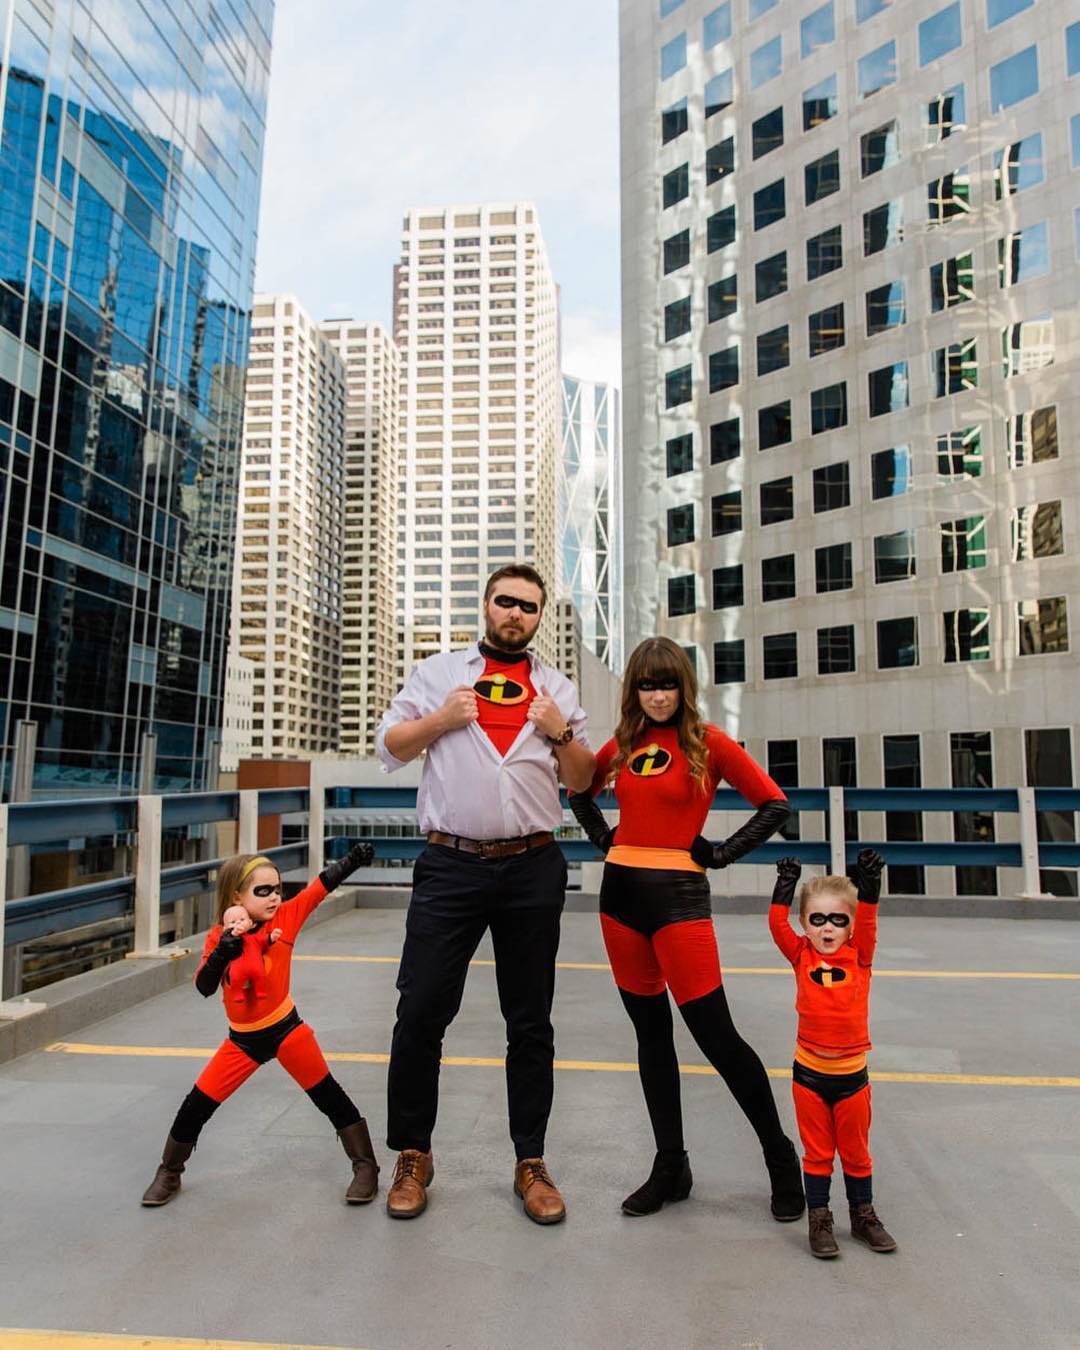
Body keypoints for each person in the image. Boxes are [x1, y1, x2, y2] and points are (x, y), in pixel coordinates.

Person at [375, 563, 594, 1224]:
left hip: (532, 866)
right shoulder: (441, 674)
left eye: (529, 607)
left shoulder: (556, 689)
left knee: (530, 1023)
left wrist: (558, 730)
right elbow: (390, 744)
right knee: (420, 1013)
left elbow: (583, 781)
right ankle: (413, 1154)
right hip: (451, 866)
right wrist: (442, 719)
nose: (515, 614)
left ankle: (531, 1161)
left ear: (538, 616)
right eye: (506, 602)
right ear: (486, 604)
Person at [568, 636, 804, 1221]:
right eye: (647, 685)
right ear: (634, 691)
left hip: (679, 902)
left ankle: (780, 1158)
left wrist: (719, 854)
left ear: (684, 687)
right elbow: (580, 793)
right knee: (651, 1038)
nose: (657, 695)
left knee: (717, 1036)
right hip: (619, 900)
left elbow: (775, 804)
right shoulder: (623, 744)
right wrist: (606, 841)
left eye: (667, 683)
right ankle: (671, 1163)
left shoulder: (708, 743)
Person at [140, 843, 376, 1208]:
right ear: (237, 895)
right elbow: (204, 987)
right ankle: (169, 1172)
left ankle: (365, 1167)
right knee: (195, 1106)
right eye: (262, 891)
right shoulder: (220, 936)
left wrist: (350, 862)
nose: (273, 898)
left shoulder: (286, 919)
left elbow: (317, 889)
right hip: (242, 1042)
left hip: (287, 1031)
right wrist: (221, 954)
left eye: (277, 889)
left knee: (329, 1096)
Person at [769, 850, 897, 1258]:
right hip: (809, 1077)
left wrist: (870, 887)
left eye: (838, 919)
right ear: (804, 923)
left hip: (852, 1080)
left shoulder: (861, 956)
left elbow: (872, 920)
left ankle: (862, 1215)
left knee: (857, 1153)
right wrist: (784, 887)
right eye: (817, 919)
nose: (827, 929)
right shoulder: (800, 954)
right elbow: (776, 924)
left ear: (852, 926)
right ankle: (820, 1219)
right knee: (819, 1154)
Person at [219, 903, 281, 1002]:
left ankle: (260, 991)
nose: (238, 923)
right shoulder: (229, 942)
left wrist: (272, 936)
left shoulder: (254, 938)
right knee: (235, 978)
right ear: (225, 929)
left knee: (261, 976)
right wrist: (232, 935)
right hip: (238, 968)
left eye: (242, 920)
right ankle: (237, 993)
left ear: (250, 923)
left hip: (256, 967)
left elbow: (264, 940)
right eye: (233, 922)